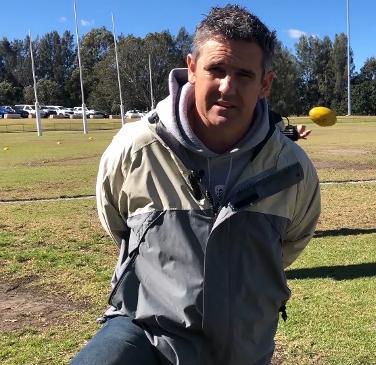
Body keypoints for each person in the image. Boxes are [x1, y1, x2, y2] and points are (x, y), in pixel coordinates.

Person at [71, 5, 321, 365]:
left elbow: (290, 244)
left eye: (244, 75)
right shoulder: (135, 149)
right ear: (191, 69)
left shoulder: (292, 168)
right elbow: (118, 225)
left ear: (265, 84)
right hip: (147, 333)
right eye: (215, 69)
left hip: (243, 345)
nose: (227, 87)